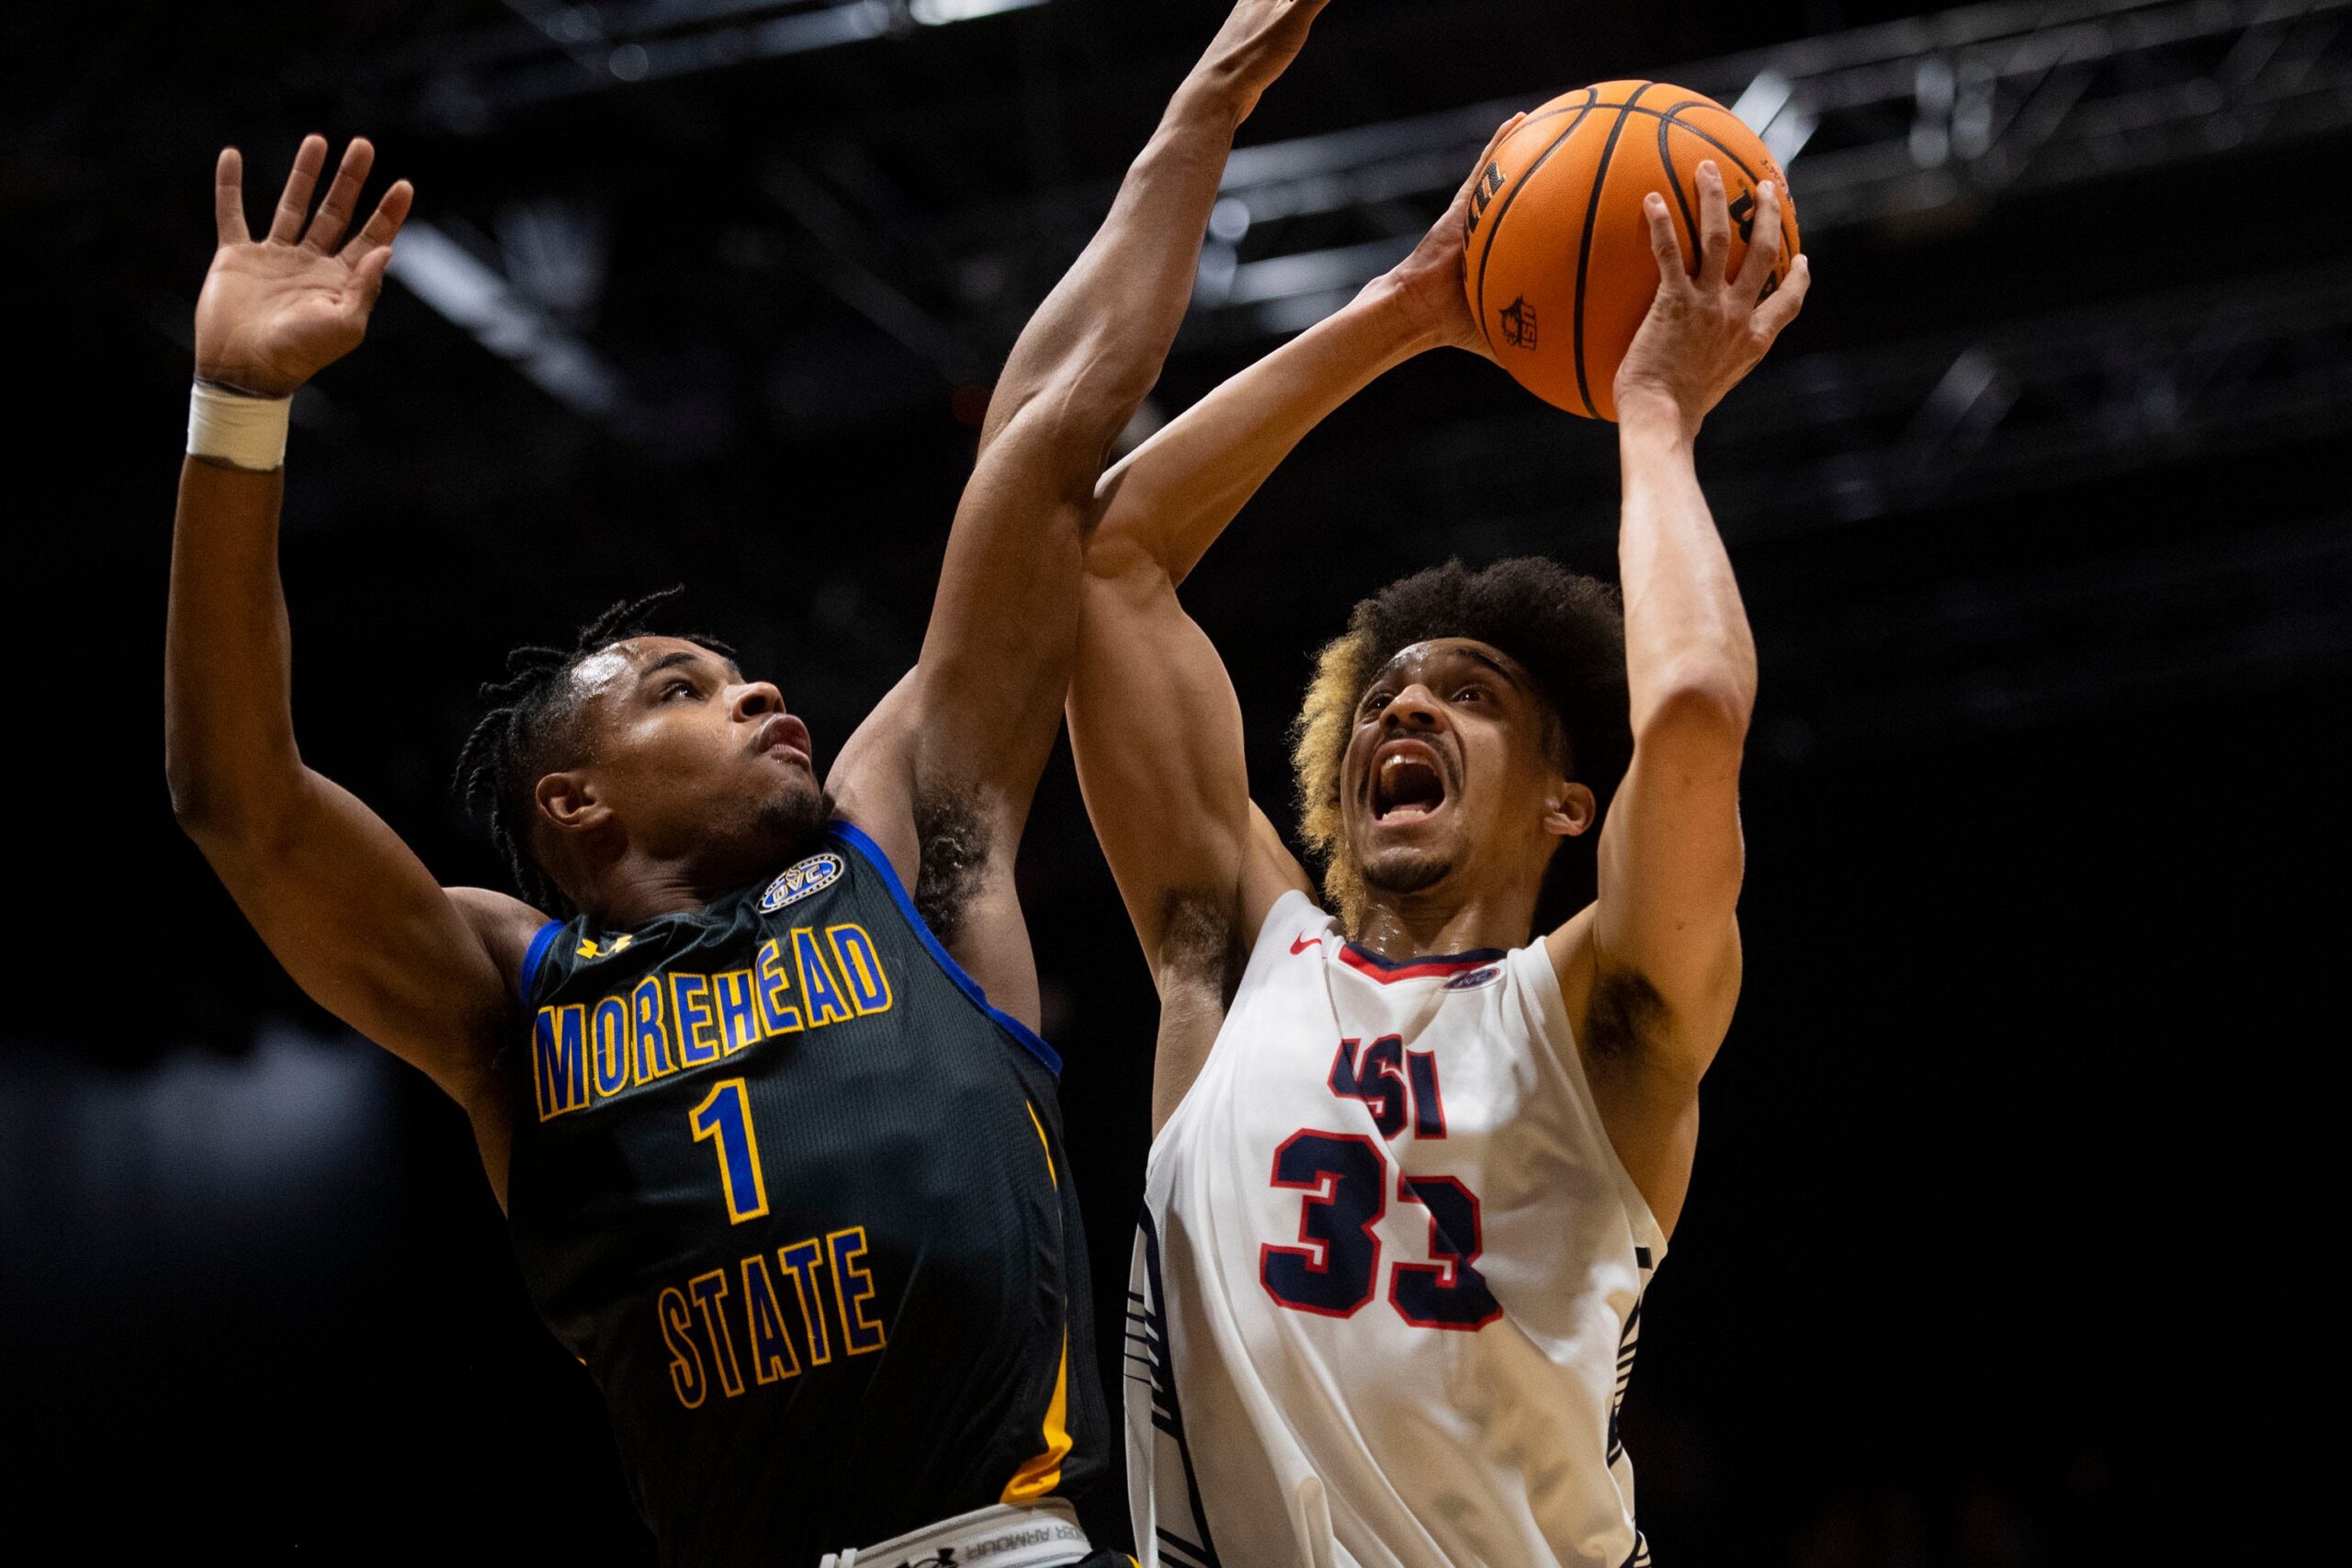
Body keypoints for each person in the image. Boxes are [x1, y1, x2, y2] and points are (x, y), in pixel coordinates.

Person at [163, 5, 1333, 1562]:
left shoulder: (903, 848)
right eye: (681, 690)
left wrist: (1196, 117)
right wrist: (236, 411)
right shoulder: (509, 996)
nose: (759, 689)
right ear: (576, 807)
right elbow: (236, 798)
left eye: (737, 672)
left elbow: (1046, 447)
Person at [1066, 141, 1811, 1565]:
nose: (1406, 701)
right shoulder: (1229, 964)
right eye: (1387, 694)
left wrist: (1652, 417)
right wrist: (1405, 308)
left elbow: (1698, 708)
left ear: (1565, 805)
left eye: (1471, 694)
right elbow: (1113, 560)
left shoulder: (1603, 1020)